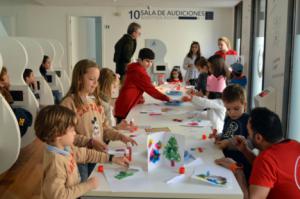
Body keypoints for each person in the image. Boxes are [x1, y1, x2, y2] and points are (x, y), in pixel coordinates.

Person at [60, 59, 137, 181]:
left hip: (97, 154)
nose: (95, 84)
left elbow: (104, 128)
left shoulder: (96, 101)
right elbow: (66, 136)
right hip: (80, 158)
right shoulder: (68, 104)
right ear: (79, 79)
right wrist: (90, 141)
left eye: (97, 80)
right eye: (91, 79)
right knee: (84, 188)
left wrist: (120, 136)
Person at [35, 105, 129, 199]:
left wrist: (111, 158)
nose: (75, 133)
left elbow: (86, 154)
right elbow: (60, 196)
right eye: (72, 130)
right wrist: (88, 185)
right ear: (58, 135)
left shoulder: (65, 148)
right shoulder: (55, 164)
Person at [215, 107, 300, 199]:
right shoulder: (295, 144)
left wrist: (237, 169)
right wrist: (245, 150)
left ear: (258, 138)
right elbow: (268, 170)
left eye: (248, 133)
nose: (247, 136)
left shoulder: (266, 159)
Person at [114, 48, 170, 123]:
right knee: (123, 130)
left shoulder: (135, 67)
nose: (150, 64)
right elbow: (152, 91)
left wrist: (139, 98)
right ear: (139, 60)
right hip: (126, 106)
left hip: (122, 104)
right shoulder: (140, 72)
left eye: (151, 61)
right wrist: (167, 98)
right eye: (147, 61)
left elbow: (135, 86)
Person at [182, 54, 229, 133]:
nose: (209, 69)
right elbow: (206, 100)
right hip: (210, 123)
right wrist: (193, 99)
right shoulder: (213, 79)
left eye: (210, 67)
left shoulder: (220, 89)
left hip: (217, 128)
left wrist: (192, 98)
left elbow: (207, 102)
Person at [215, 85, 252, 180]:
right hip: (224, 158)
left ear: (245, 105)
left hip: (240, 164)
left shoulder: (248, 120)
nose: (232, 112)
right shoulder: (228, 118)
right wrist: (219, 136)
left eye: (236, 108)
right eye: (228, 109)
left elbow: (249, 144)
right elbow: (226, 134)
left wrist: (228, 143)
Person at [0, 66, 33, 137]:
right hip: (7, 121)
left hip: (11, 117)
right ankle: (19, 132)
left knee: (23, 114)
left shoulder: (5, 92)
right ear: (1, 83)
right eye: (7, 77)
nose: (9, 77)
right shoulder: (2, 95)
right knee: (22, 117)